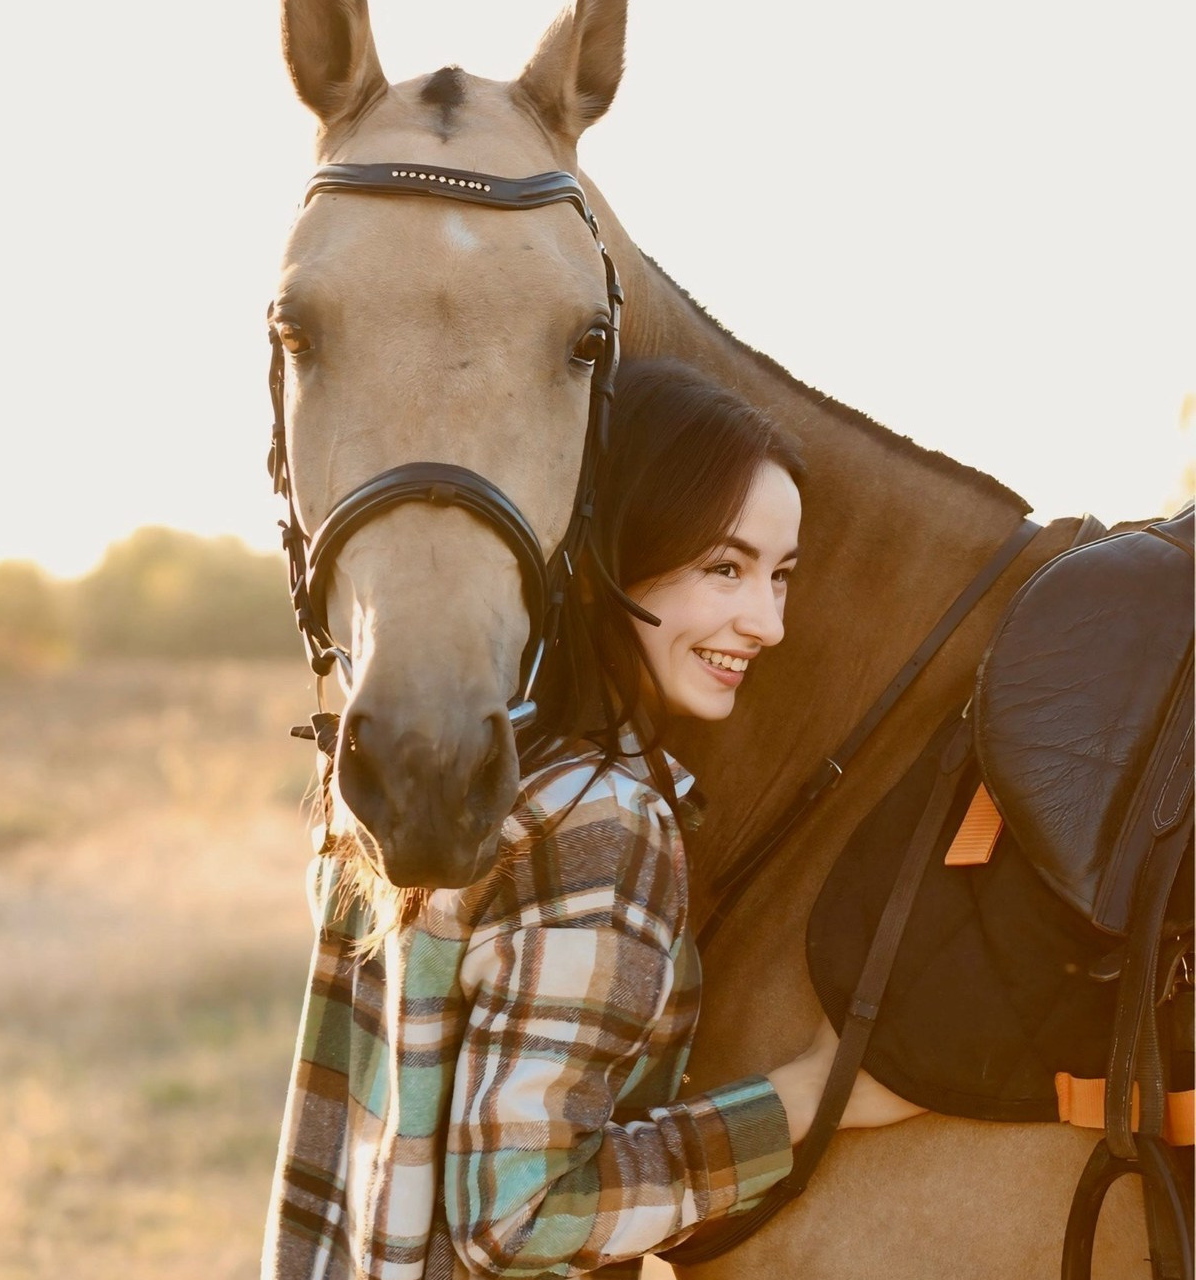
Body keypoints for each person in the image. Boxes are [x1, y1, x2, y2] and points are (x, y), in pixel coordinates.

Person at [264, 358, 923, 1280]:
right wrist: (801, 1102)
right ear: (610, 557)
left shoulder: (444, 783)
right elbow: (521, 1217)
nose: (767, 622)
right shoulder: (604, 825)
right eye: (723, 568)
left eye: (780, 575)